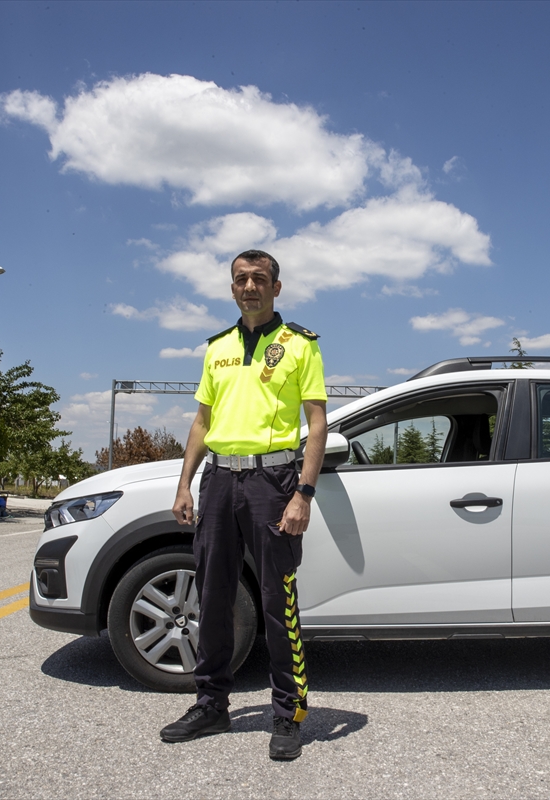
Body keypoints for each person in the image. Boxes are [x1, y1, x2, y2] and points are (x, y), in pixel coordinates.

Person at [160, 249, 328, 761]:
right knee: (211, 597)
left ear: (277, 287)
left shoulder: (300, 345)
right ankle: (211, 705)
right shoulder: (217, 349)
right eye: (240, 279)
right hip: (219, 482)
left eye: (259, 278)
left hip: (274, 482)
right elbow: (201, 424)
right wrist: (185, 483)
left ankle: (288, 713)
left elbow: (317, 423)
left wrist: (303, 492)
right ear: (232, 288)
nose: (249, 286)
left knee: (279, 602)